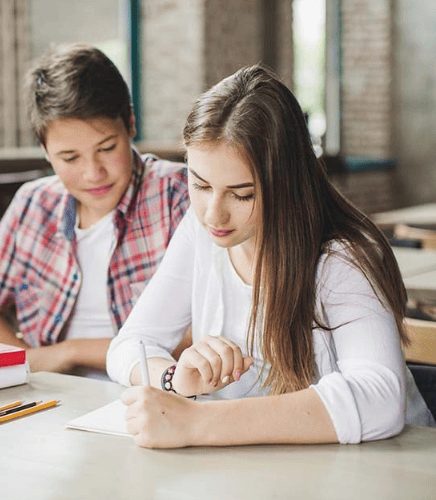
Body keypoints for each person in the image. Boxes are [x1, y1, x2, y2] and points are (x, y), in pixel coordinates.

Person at [107, 64, 435, 448]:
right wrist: (176, 379)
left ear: (287, 183)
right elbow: (130, 345)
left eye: (241, 193)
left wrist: (198, 422)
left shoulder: (342, 255)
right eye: (199, 184)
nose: (214, 213)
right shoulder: (200, 232)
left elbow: (379, 399)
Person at [0, 43, 189, 378]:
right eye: (69, 158)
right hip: (54, 399)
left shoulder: (178, 196)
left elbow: (209, 331)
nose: (93, 173)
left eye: (107, 148)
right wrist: (30, 363)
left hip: (151, 394)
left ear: (131, 125)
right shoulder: (34, 204)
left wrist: (73, 351)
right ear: (45, 152)